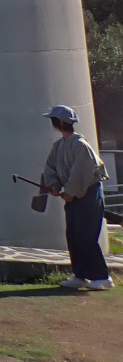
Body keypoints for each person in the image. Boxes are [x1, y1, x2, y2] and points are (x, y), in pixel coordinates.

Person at [41, 105, 113, 290]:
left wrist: (70, 192)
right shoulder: (58, 145)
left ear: (60, 122)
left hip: (88, 194)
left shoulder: (81, 144)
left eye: (54, 120)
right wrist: (55, 186)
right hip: (73, 195)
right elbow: (50, 168)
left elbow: (82, 172)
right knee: (72, 235)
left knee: (85, 236)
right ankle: (80, 275)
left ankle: (102, 277)